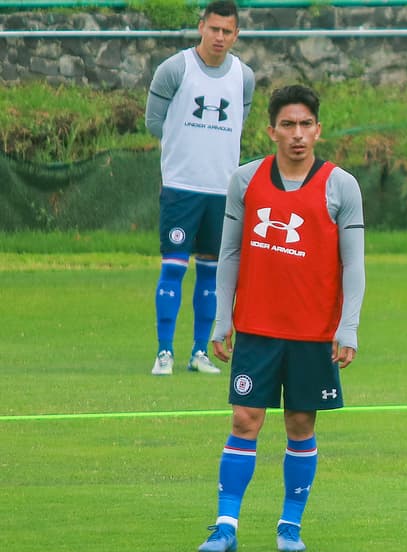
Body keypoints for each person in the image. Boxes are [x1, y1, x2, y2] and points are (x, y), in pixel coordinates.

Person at [197, 84, 366, 552]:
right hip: (257, 327)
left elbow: (354, 264)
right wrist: (221, 320)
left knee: (299, 424)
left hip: (313, 333)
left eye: (305, 125)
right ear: (271, 131)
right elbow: (229, 254)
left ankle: (290, 525)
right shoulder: (246, 180)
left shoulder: (340, 185)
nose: (297, 134)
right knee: (244, 419)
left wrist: (346, 326)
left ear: (319, 130)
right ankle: (225, 524)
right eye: (287, 125)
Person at [145, 0, 255, 377]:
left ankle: (198, 352)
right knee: (173, 268)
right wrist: (184, 150)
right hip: (181, 188)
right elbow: (154, 122)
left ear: (236, 34)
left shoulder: (244, 76)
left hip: (222, 191)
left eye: (227, 31)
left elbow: (242, 120)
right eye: (214, 29)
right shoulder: (176, 69)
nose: (220, 37)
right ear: (201, 27)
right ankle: (164, 352)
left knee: (212, 273)